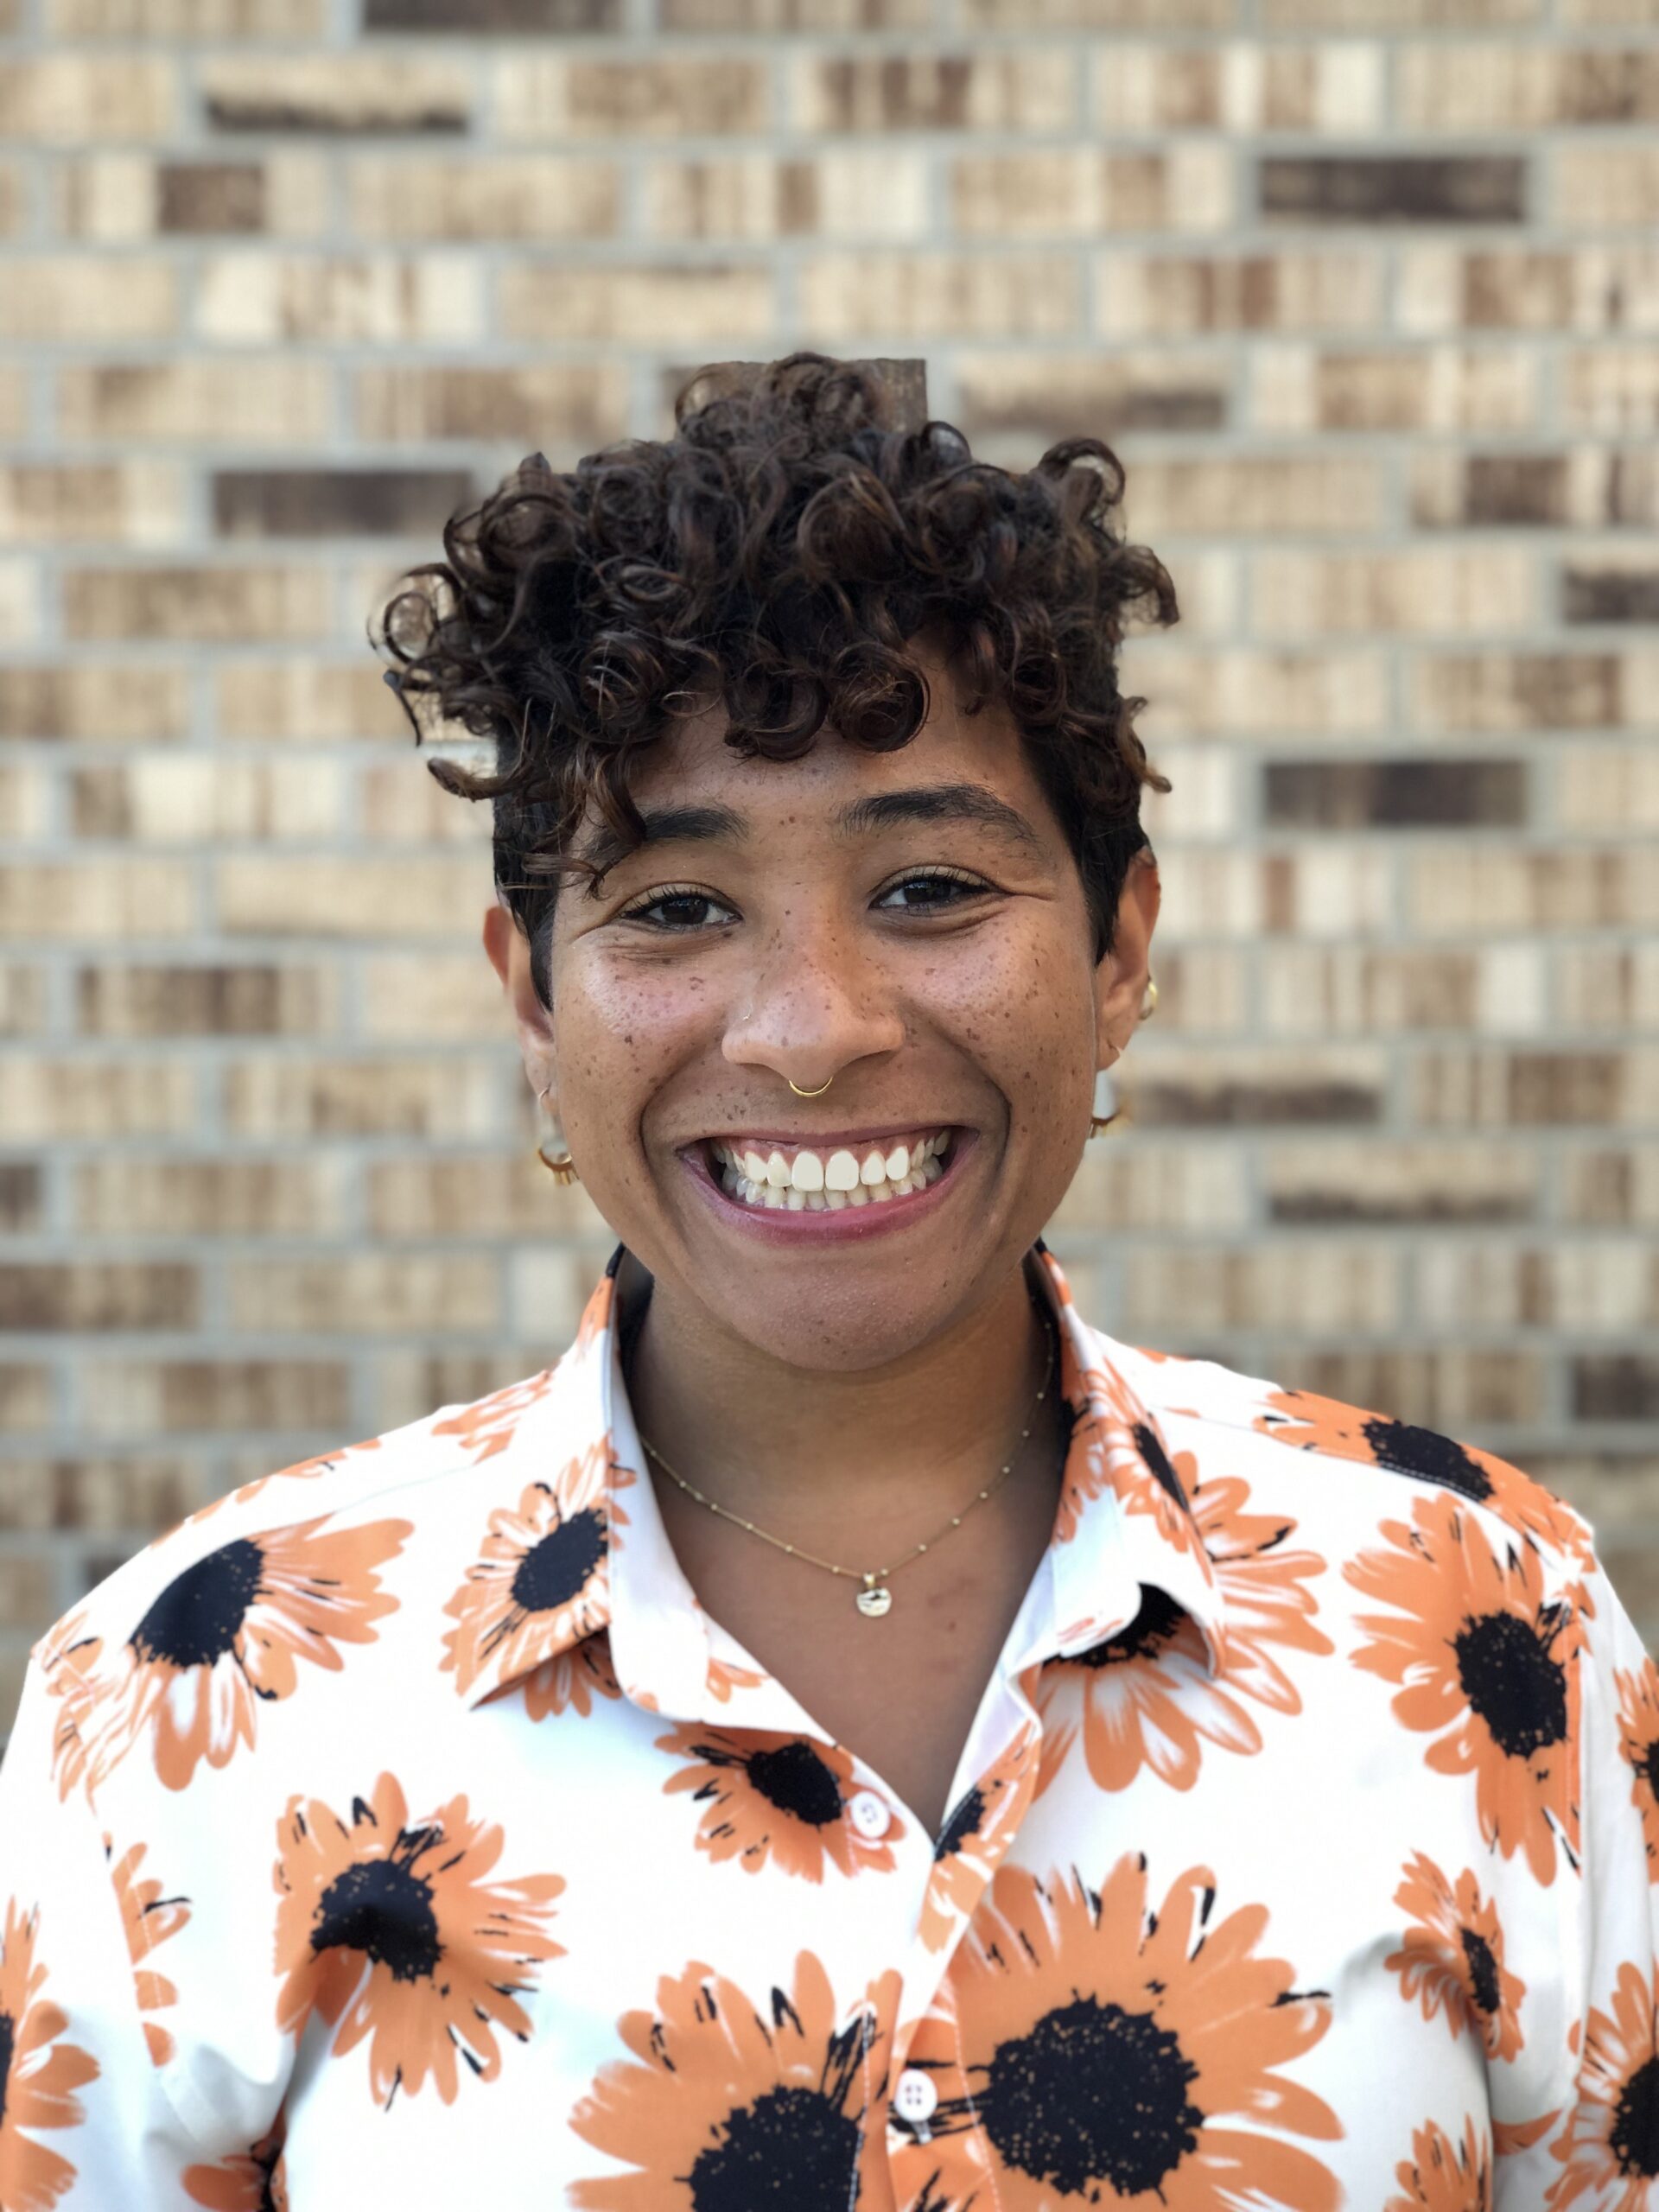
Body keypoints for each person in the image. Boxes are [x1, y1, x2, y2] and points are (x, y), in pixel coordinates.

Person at [0, 352, 1653, 2212]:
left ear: (1118, 949)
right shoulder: (190, 1699)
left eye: (933, 884)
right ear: (537, 999)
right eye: (679, 905)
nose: (811, 1034)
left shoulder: (1486, 1622)